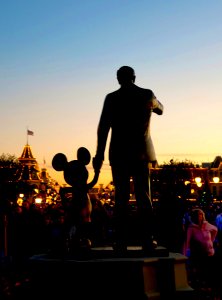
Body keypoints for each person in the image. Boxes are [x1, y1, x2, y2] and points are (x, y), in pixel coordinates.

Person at [93, 66, 164, 255]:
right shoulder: (147, 94)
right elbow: (161, 109)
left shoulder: (112, 98)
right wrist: (153, 103)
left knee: (120, 199)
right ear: (134, 77)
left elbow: (103, 129)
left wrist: (99, 155)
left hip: (119, 153)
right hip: (141, 153)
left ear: (118, 79)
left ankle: (120, 241)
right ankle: (148, 239)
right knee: (144, 197)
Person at [183, 208, 218, 289]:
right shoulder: (191, 228)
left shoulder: (207, 225)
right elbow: (187, 242)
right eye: (198, 215)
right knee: (201, 271)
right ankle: (201, 287)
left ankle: (209, 287)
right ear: (194, 217)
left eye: (201, 215)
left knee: (210, 271)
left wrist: (211, 241)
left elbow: (215, 230)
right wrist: (185, 254)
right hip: (199, 253)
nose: (200, 216)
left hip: (210, 252)